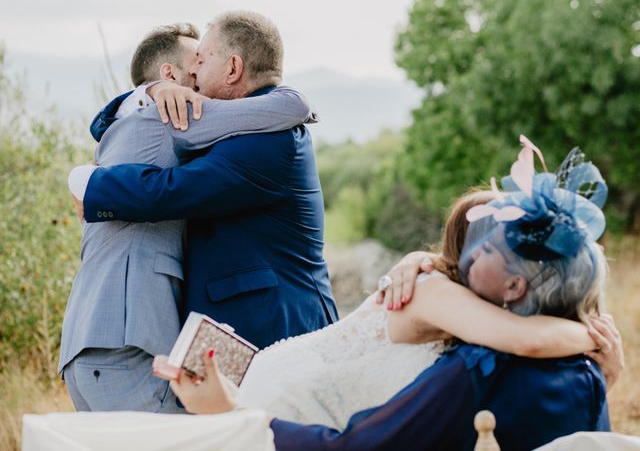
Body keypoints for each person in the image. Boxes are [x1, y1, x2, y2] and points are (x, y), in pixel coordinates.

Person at [165, 138, 620, 450]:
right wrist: (589, 340)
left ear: (516, 286)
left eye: (490, 244)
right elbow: (530, 344)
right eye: (477, 242)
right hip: (293, 401)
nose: (471, 255)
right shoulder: (438, 294)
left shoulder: (484, 351)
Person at [60, 21, 319, 413]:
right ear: (169, 75)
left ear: (232, 68)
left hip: (265, 333)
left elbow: (175, 189)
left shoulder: (266, 137)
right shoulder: (173, 117)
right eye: (192, 61)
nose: (196, 71)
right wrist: (87, 180)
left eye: (204, 58)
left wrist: (89, 182)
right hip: (129, 340)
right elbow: (289, 106)